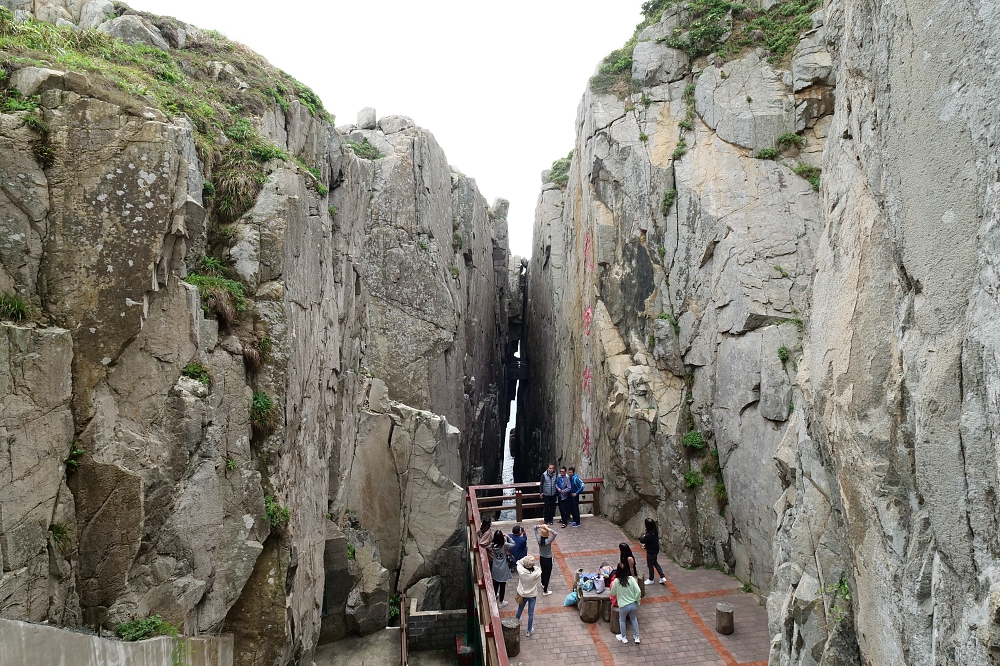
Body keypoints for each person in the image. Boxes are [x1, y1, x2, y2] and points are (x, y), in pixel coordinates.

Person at [611, 561, 642, 644]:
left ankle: (623, 637)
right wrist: (637, 600)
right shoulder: (631, 579)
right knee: (633, 618)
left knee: (622, 620)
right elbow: (638, 591)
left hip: (623, 605)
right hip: (633, 604)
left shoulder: (616, 581)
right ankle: (637, 636)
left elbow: (613, 592)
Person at [516, 555, 543, 637]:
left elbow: (518, 562)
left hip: (522, 594)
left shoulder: (521, 571)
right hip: (532, 595)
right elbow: (538, 569)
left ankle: (515, 625)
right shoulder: (536, 573)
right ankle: (529, 630)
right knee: (530, 613)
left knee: (520, 610)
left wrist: (525, 559)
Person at [490, 530, 514, 606]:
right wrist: (508, 537)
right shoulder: (504, 545)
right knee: (502, 585)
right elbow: (513, 544)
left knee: (496, 583)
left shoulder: (492, 545)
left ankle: (494, 596)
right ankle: (501, 602)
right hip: (503, 567)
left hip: (495, 566)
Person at [639, 517, 666, 584]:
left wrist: (641, 537)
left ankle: (651, 579)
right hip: (655, 551)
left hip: (650, 552)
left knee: (650, 565)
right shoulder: (655, 531)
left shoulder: (649, 535)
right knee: (655, 563)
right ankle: (662, 577)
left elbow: (642, 540)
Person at [534, 524, 558, 595]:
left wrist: (541, 526)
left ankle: (542, 582)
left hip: (541, 557)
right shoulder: (548, 541)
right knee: (548, 574)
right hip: (548, 559)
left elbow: (534, 528)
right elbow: (555, 533)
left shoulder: (539, 539)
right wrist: (548, 529)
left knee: (543, 571)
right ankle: (545, 591)